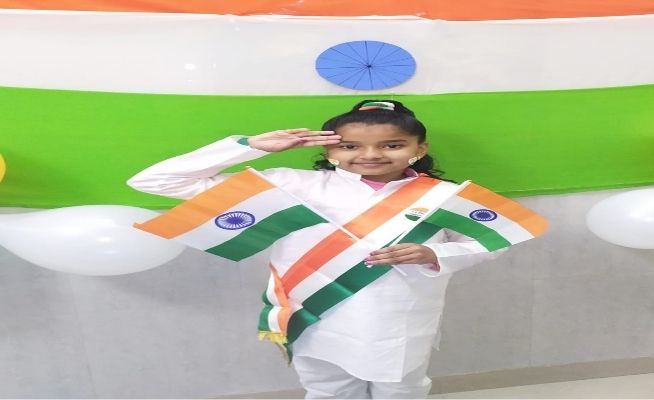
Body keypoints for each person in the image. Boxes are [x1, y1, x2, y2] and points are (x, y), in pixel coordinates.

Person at [127, 100, 504, 399]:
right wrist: (250, 146)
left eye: (392, 145)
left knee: (400, 389)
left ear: (419, 149)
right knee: (328, 390)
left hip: (398, 318)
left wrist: (435, 255)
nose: (370, 154)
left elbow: (494, 241)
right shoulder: (292, 184)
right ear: (329, 150)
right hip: (313, 313)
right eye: (350, 146)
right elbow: (155, 181)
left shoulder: (446, 196)